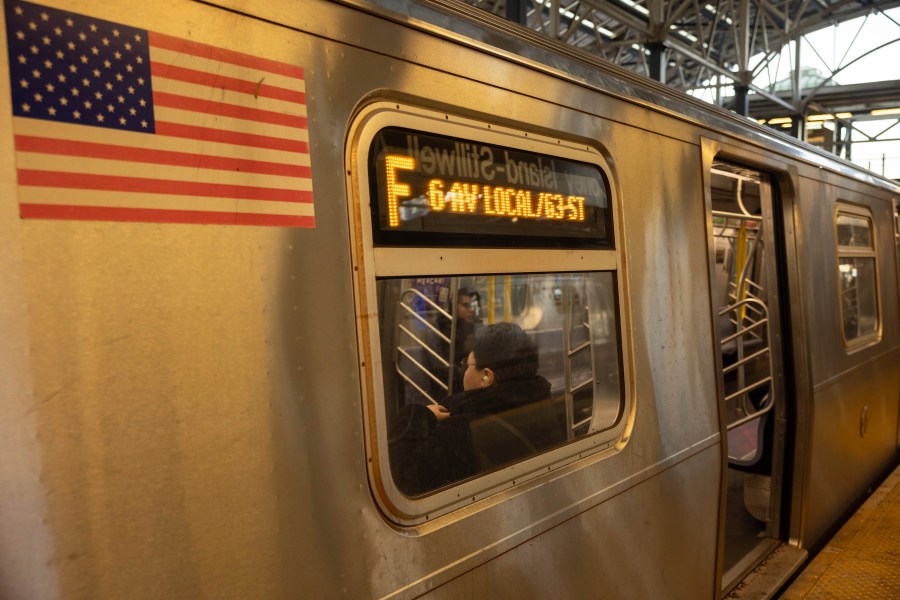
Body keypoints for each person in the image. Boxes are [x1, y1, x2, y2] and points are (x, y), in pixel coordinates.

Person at [389, 322, 562, 496]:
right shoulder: (540, 405)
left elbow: (403, 480)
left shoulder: (464, 429)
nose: (462, 372)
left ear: (486, 376)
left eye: (466, 365)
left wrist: (419, 417)